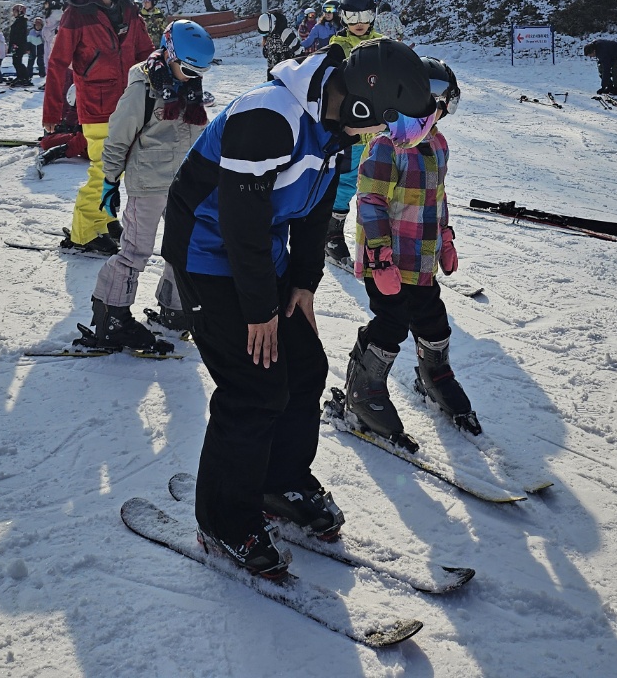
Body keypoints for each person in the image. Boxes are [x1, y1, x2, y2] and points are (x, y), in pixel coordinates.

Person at [161, 38, 433, 576]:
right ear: (361, 104)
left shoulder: (334, 127)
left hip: (261, 253)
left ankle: (278, 481)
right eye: (383, 123)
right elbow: (238, 218)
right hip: (207, 255)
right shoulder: (271, 115)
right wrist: (260, 309)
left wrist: (303, 282)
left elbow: (314, 213)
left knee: (305, 369)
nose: (380, 135)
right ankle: (224, 518)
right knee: (254, 387)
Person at [345, 56, 479, 441]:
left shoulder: (438, 144)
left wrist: (446, 238)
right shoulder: (386, 145)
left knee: (433, 319)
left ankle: (434, 375)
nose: (440, 116)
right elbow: (370, 202)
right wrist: (379, 255)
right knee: (390, 324)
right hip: (386, 261)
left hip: (421, 260)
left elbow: (438, 197)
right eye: (438, 106)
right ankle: (363, 390)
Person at [76, 20, 216, 355]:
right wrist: (109, 181)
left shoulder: (191, 88)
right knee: (135, 251)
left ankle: (175, 310)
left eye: (202, 70)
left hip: (184, 184)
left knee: (183, 249)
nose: (194, 75)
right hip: (148, 182)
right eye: (187, 68)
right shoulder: (143, 87)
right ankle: (112, 317)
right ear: (169, 53)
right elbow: (118, 137)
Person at [43, 0, 153, 253]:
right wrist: (51, 112)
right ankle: (83, 232)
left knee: (117, 168)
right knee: (104, 169)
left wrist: (158, 80)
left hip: (129, 102)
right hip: (97, 106)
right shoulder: (77, 13)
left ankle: (104, 220)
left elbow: (145, 50)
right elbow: (57, 64)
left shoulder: (129, 9)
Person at [324, 0, 384, 266]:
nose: (359, 22)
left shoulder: (382, 44)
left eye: (365, 15)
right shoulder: (338, 46)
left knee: (379, 182)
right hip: (352, 132)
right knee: (347, 182)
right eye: (351, 15)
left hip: (381, 130)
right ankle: (332, 234)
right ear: (342, 17)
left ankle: (378, 235)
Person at [257, 9, 302, 79]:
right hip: (272, 71)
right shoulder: (269, 35)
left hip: (286, 73)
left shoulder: (285, 32)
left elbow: (299, 51)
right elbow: (266, 53)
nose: (265, 35)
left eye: (265, 33)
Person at [7, 3, 31, 86]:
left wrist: (16, 44)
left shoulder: (21, 21)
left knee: (17, 61)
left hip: (18, 45)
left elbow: (20, 35)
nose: (13, 13)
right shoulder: (18, 21)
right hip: (15, 45)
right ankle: (20, 76)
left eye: (15, 11)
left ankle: (24, 77)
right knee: (16, 61)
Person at [41, 0, 63, 70]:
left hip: (53, 40)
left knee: (53, 61)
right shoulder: (50, 13)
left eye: (46, 3)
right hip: (48, 40)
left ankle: (55, 80)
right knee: (47, 61)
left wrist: (57, 31)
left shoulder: (58, 13)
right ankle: (49, 79)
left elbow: (64, 22)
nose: (45, 5)